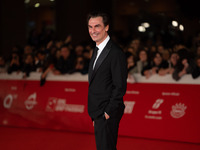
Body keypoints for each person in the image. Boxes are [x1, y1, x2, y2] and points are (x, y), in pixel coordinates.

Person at [87, 11, 127, 150]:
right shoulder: (96, 50)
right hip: (98, 113)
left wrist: (106, 113)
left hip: (106, 113)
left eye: (97, 26)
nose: (93, 31)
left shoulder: (116, 53)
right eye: (90, 27)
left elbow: (120, 86)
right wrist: (96, 116)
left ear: (107, 27)